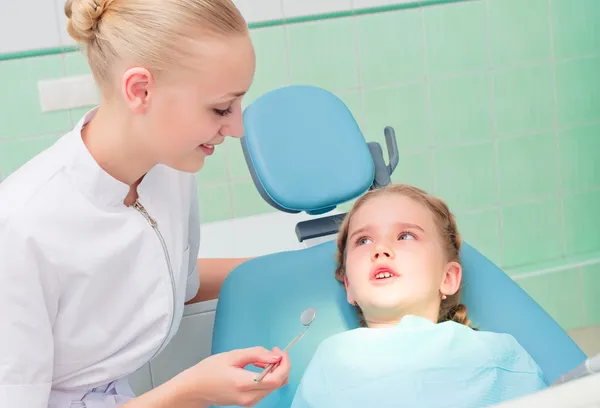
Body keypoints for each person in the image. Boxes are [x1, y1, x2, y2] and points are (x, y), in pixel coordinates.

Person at [0, 0, 290, 407]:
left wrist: (304, 265)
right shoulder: (22, 227)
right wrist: (190, 391)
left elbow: (174, 287)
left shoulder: (170, 169)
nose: (239, 128)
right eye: (222, 108)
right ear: (140, 90)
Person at [290, 184, 548, 408]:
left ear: (447, 278)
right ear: (349, 287)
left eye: (405, 236)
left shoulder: (496, 354)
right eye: (363, 241)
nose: (380, 249)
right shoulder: (331, 361)